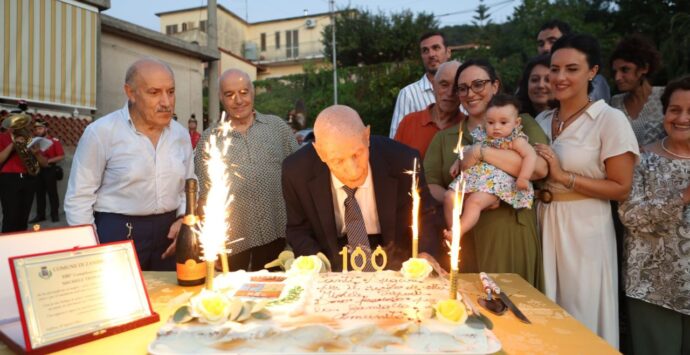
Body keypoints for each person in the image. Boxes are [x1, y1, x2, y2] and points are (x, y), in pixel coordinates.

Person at [534, 33, 639, 348]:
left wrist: (564, 177)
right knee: (544, 311)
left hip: (585, 226)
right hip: (542, 221)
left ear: (592, 71)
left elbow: (621, 188)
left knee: (580, 315)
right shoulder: (540, 120)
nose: (560, 77)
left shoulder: (609, 120)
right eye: (554, 69)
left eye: (572, 69)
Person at [423, 59, 548, 289]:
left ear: (495, 86)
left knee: (513, 311)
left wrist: (480, 151)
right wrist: (468, 199)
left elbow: (539, 169)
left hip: (508, 230)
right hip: (465, 239)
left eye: (478, 84)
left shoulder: (522, 124)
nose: (470, 93)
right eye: (463, 88)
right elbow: (431, 185)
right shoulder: (445, 138)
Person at [65, 58, 194, 271]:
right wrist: (89, 252)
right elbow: (79, 197)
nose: (166, 102)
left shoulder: (180, 135)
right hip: (117, 232)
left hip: (169, 234)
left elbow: (188, 184)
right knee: (118, 301)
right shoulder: (101, 133)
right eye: (154, 92)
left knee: (168, 299)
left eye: (171, 92)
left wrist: (183, 218)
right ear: (130, 92)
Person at [283, 105, 442, 271]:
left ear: (366, 136)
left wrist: (425, 253)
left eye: (357, 154)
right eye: (338, 161)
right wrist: (317, 264)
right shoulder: (296, 171)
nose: (353, 170)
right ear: (320, 153)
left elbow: (425, 214)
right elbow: (298, 228)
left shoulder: (404, 161)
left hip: (394, 255)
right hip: (332, 256)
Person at [194, 69, 298, 271]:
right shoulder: (210, 139)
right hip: (232, 241)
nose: (238, 100)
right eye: (229, 94)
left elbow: (299, 176)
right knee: (233, 297)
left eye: (243, 92)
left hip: (276, 234)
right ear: (220, 98)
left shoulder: (277, 128)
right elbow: (205, 198)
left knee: (277, 293)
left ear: (253, 93)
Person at [618, 76, 690, 355]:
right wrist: (682, 196)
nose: (682, 118)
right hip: (652, 290)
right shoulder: (643, 159)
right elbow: (630, 214)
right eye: (675, 110)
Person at [444, 94, 536, 235]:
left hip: (496, 184)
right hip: (473, 179)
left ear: (516, 123)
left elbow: (530, 155)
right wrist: (457, 163)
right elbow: (468, 150)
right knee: (449, 196)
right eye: (491, 122)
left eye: (503, 122)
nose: (496, 127)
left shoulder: (516, 140)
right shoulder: (483, 136)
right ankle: (453, 229)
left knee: (473, 202)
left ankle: (458, 232)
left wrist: (523, 177)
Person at [394, 61, 464, 159]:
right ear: (434, 85)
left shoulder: (468, 127)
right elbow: (393, 164)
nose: (450, 93)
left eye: (457, 87)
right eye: (444, 84)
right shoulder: (409, 122)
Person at [389, 31, 451, 138]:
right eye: (425, 50)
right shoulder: (408, 94)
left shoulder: (462, 89)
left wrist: (484, 148)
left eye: (436, 48)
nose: (431, 54)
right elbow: (396, 139)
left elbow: (475, 127)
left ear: (448, 52)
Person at [610, 34, 665, 146]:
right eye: (615, 72)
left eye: (625, 70)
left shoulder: (666, 96)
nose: (618, 77)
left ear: (644, 68)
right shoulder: (615, 102)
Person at [536, 20, 610, 103]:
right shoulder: (530, 76)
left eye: (552, 41)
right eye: (541, 44)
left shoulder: (595, 80)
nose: (545, 48)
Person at [0, 112, 47, 232]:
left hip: (29, 179)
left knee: (23, 216)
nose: (20, 127)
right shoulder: (2, 137)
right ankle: (7, 246)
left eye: (22, 124)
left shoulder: (30, 139)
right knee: (10, 216)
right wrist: (13, 144)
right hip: (10, 178)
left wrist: (36, 153)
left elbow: (44, 163)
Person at [29, 119, 64, 223]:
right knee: (39, 194)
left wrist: (48, 161)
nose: (37, 131)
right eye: (36, 129)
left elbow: (61, 156)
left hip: (50, 169)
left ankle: (55, 214)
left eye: (40, 128)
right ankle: (40, 215)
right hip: (37, 169)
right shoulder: (33, 141)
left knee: (52, 193)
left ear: (46, 129)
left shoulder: (54, 141)